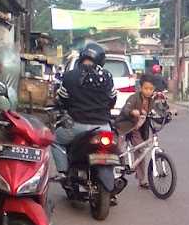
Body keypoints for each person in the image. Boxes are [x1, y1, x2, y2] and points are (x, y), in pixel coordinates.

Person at [53, 42, 116, 174]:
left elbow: (62, 100)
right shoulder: (107, 76)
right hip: (103, 127)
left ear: (82, 57)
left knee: (54, 140)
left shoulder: (70, 76)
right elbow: (112, 100)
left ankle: (63, 172)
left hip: (77, 126)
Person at [118, 73, 157, 189]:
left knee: (141, 151)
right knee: (118, 150)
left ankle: (141, 180)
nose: (148, 91)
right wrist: (132, 112)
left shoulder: (151, 100)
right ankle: (116, 174)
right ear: (140, 88)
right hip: (124, 126)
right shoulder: (134, 98)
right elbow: (126, 109)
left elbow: (157, 110)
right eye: (146, 88)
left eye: (151, 89)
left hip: (137, 129)